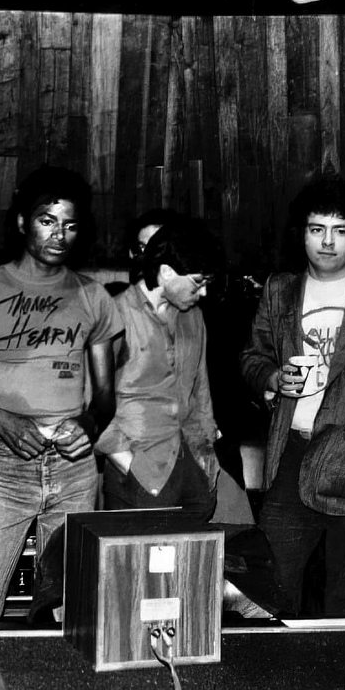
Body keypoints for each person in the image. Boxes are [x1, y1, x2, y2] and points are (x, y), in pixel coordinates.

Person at [0, 165, 122, 624]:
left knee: (74, 622)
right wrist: (0, 421)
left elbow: (104, 397)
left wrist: (88, 424)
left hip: (76, 470)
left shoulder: (94, 296)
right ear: (23, 222)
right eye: (47, 220)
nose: (59, 234)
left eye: (71, 224)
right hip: (5, 469)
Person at [239, 174, 345, 616]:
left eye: (340, 230)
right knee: (269, 587)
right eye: (317, 229)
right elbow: (253, 355)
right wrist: (270, 379)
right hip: (290, 452)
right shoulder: (279, 288)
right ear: (301, 234)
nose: (327, 243)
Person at [96, 215, 222, 517]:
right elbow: (89, 398)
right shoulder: (114, 314)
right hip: (138, 471)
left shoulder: (193, 316)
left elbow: (200, 388)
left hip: (190, 465)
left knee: (194, 560)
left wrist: (206, 455)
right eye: (197, 282)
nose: (203, 293)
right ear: (166, 272)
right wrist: (126, 461)